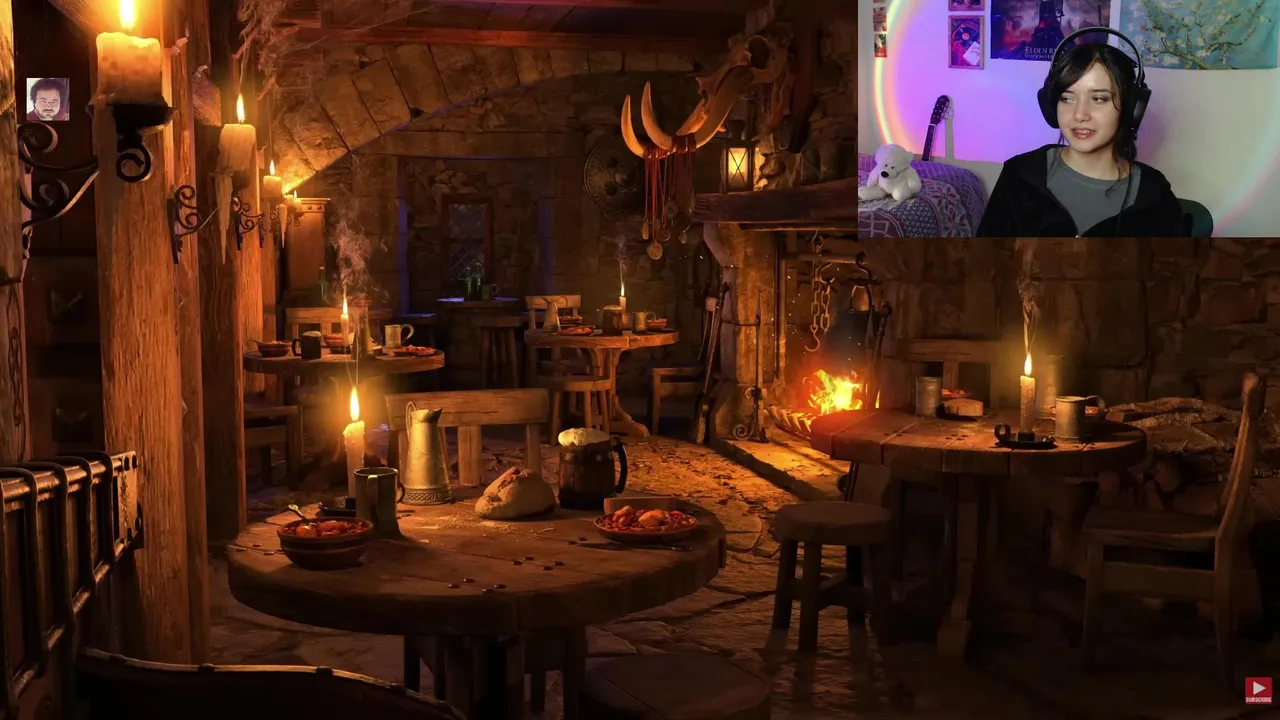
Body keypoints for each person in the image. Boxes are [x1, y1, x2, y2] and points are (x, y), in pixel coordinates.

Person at [977, 30, 1186, 237]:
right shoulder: (1020, 174)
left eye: (1098, 99)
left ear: (1131, 108)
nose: (1079, 115)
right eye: (1067, 98)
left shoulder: (1154, 193)